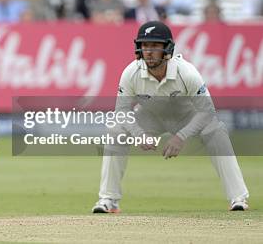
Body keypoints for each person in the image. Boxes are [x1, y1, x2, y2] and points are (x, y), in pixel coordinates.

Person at [92, 21, 249, 214]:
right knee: (115, 131)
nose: (148, 51)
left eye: (155, 46)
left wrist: (181, 136)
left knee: (216, 130)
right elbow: (122, 111)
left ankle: (238, 198)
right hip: (151, 117)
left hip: (187, 116)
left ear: (167, 49)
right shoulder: (131, 73)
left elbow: (207, 111)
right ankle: (108, 199)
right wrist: (139, 133)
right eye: (145, 45)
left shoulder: (187, 73)